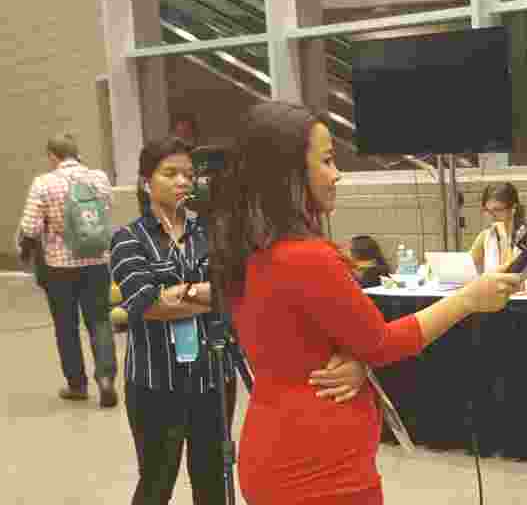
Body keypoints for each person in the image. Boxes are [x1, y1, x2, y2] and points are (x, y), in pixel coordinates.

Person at [207, 101, 523, 505]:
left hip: (278, 451)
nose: (337, 174)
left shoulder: (246, 249)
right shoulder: (305, 256)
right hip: (318, 473)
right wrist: (467, 299)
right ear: (288, 173)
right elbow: (382, 342)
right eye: (326, 161)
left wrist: (359, 359)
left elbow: (303, 343)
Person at [109, 136, 368, 505]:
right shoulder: (127, 239)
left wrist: (187, 293)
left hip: (213, 378)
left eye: (188, 175)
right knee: (156, 482)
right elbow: (146, 303)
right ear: (145, 182)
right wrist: (209, 295)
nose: (183, 182)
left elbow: (245, 287)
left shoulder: (212, 231)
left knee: (214, 479)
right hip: (156, 383)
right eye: (170, 174)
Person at [16, 132, 118, 407]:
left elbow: (31, 227)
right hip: (97, 262)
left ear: (53, 155)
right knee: (99, 320)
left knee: (66, 325)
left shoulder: (44, 183)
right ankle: (107, 379)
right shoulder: (99, 178)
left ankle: (77, 385)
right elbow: (106, 210)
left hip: (59, 266)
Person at [468, 182, 527, 277]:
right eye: (487, 210)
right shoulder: (486, 235)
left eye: (497, 210)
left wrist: (504, 236)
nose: (491, 216)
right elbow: (468, 265)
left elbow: (509, 272)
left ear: (513, 208)